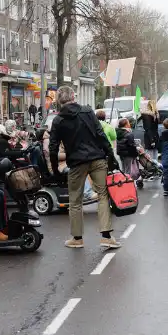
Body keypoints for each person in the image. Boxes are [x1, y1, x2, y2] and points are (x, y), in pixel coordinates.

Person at [48, 85, 120, 249]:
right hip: (97, 158)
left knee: (75, 200)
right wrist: (111, 155)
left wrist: (54, 170)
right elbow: (100, 135)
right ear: (74, 96)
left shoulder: (58, 120)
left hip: (76, 163)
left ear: (59, 101)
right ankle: (106, 236)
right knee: (102, 195)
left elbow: (53, 148)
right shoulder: (87, 111)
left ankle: (77, 238)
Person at [116, 117, 141, 182]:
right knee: (129, 171)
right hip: (128, 154)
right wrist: (136, 154)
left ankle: (124, 184)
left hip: (121, 153)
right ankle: (128, 184)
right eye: (128, 122)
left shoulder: (118, 132)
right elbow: (131, 146)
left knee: (124, 169)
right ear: (126, 125)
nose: (129, 124)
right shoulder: (129, 134)